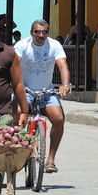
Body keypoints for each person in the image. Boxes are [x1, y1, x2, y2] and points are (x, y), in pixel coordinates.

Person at [13, 19, 71, 173]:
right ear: (31, 33)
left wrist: (65, 84)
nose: (41, 35)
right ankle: (23, 148)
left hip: (47, 91)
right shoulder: (22, 45)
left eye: (44, 32)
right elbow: (14, 65)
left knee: (58, 118)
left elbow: (63, 66)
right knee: (17, 114)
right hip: (25, 91)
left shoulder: (54, 45)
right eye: (37, 32)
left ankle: (50, 160)